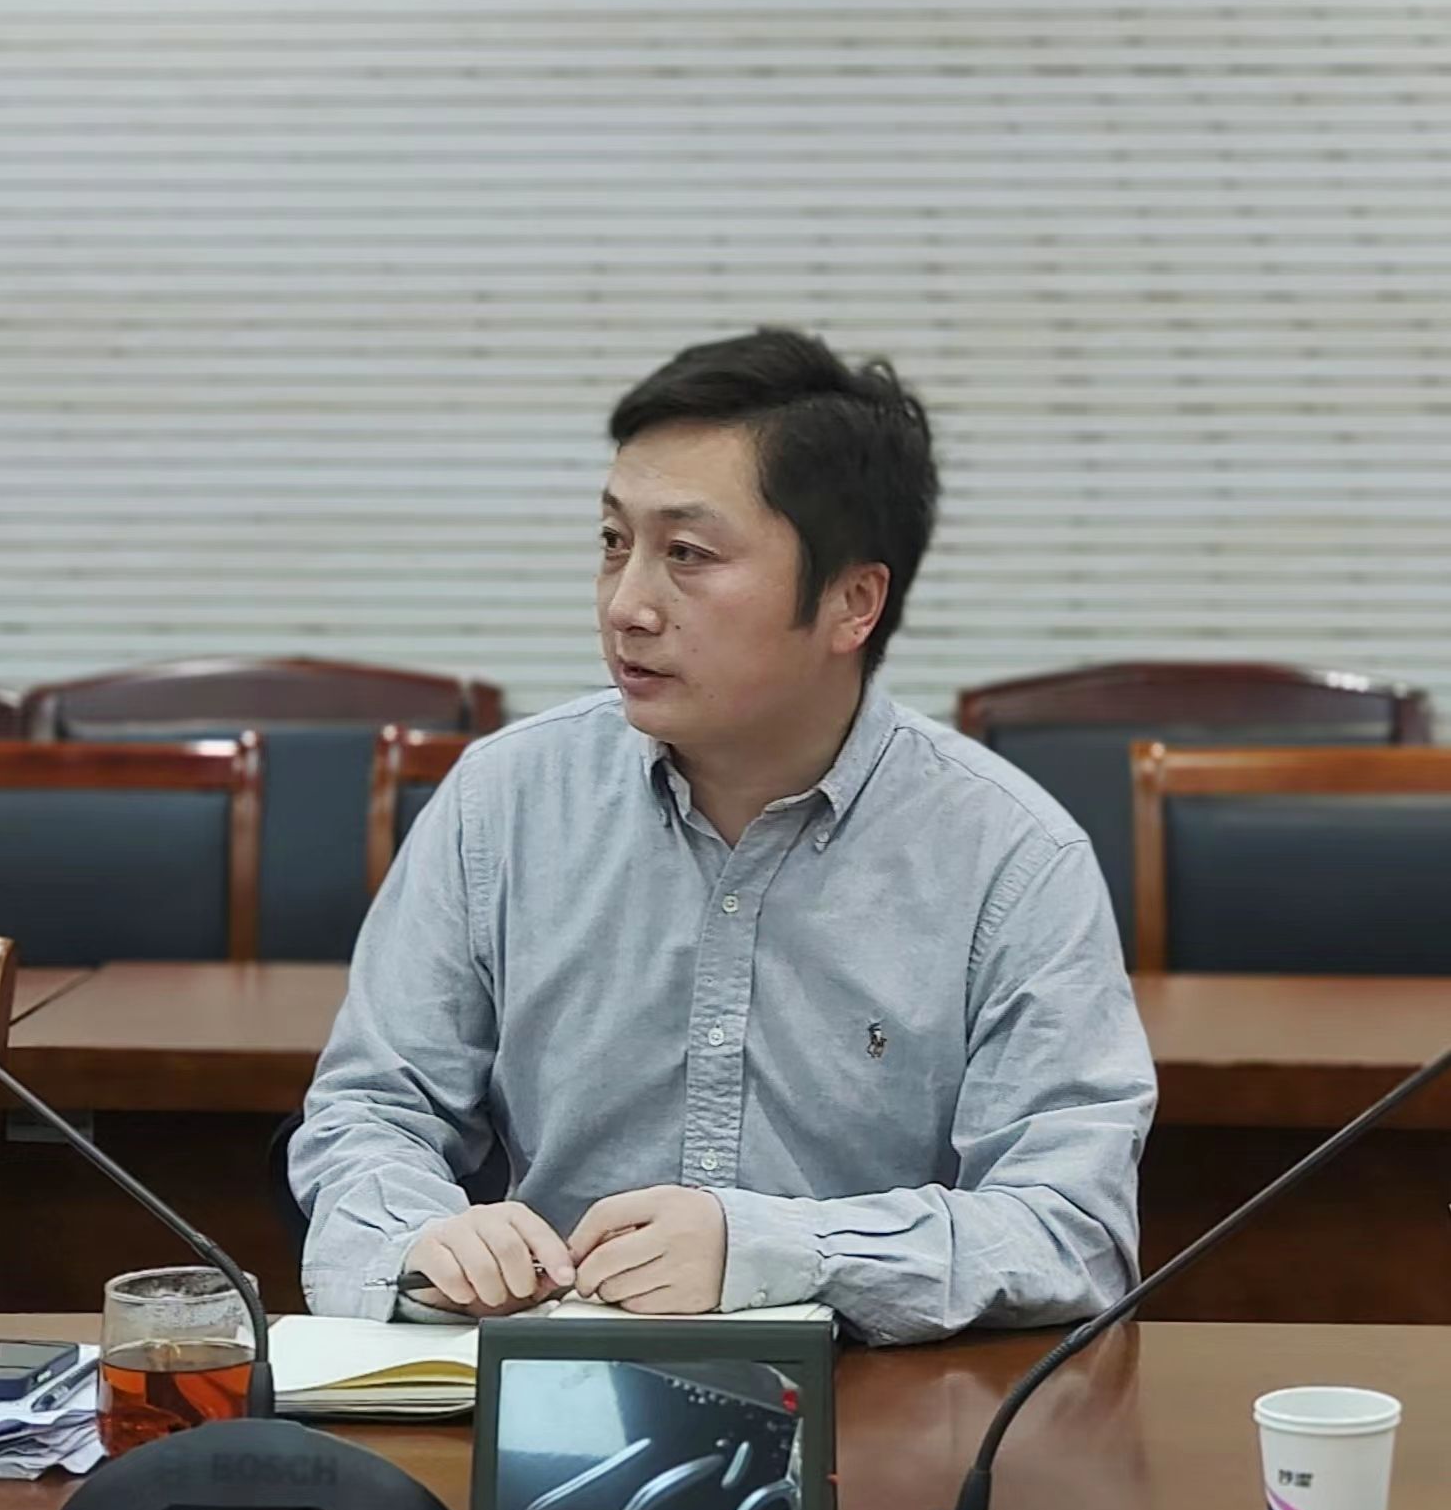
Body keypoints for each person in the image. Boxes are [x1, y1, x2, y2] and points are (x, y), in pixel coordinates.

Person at [289, 328, 1155, 1344]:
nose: (626, 605)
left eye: (687, 556)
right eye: (614, 543)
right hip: (553, 1385)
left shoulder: (1009, 856)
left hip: (880, 1403)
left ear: (851, 602)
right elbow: (367, 1115)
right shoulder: (503, 801)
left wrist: (782, 1252)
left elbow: (1070, 1230)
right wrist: (420, 1238)